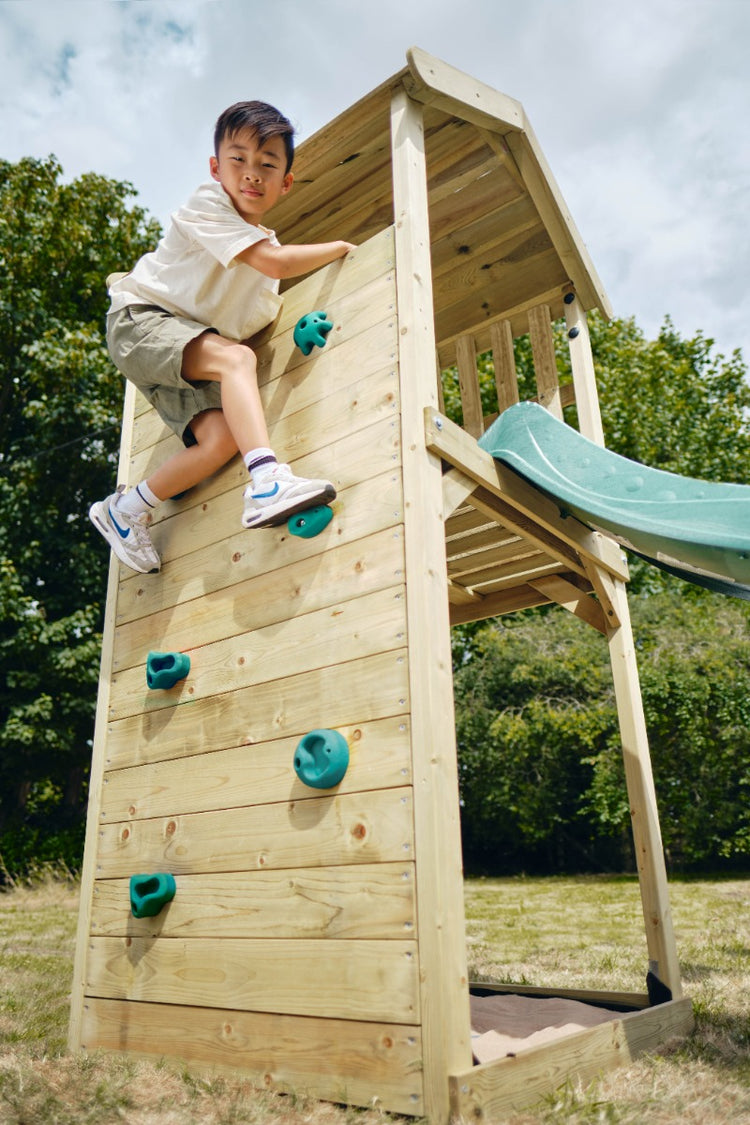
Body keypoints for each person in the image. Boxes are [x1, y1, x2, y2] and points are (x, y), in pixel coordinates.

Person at [89, 100, 355, 574]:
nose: (252, 173)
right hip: (139, 320)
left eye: (267, 164)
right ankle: (267, 481)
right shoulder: (207, 205)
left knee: (222, 441)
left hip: (182, 345)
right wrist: (340, 247)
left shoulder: (262, 267)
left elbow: (259, 307)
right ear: (216, 168)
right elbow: (274, 263)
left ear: (285, 182)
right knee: (235, 361)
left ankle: (126, 510)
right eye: (238, 160)